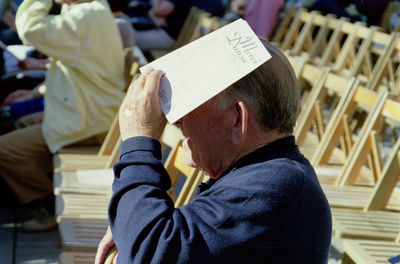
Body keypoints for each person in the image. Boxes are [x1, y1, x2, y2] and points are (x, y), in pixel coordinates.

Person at [95, 39, 332, 263]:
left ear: (237, 118)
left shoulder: (274, 187)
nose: (176, 119)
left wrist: (139, 137)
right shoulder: (269, 174)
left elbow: (149, 254)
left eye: (187, 102)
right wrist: (132, 222)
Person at [0, 0, 125, 232]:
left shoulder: (87, 15)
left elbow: (30, 28)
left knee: (4, 150)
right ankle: (44, 193)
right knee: (20, 122)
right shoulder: (93, 11)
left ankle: (49, 203)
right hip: (91, 113)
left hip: (89, 120)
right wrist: (31, 95)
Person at [132, 0, 225, 51]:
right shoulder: (219, 3)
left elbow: (158, 11)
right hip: (184, 40)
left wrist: (153, 14)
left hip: (173, 39)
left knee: (129, 37)